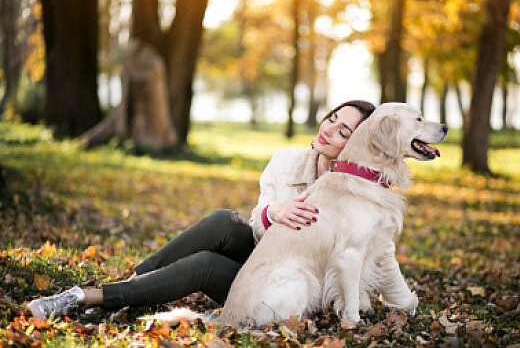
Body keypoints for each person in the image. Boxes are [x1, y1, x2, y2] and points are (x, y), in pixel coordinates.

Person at [27, 100, 376, 320]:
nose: (329, 129)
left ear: (357, 146)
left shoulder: (356, 196)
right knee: (223, 220)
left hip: (285, 288)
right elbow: (256, 224)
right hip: (261, 253)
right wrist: (273, 214)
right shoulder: (287, 162)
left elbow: (359, 263)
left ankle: (84, 298)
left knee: (206, 265)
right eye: (331, 118)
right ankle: (135, 280)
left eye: (343, 131)